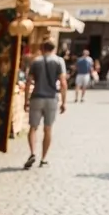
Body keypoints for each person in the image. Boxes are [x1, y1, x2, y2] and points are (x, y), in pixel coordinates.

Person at [23, 40, 66, 169]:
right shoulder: (59, 61)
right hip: (51, 98)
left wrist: (26, 100)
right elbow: (63, 82)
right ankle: (43, 159)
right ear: (54, 49)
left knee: (33, 128)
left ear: (42, 48)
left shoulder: (36, 61)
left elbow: (28, 82)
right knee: (48, 129)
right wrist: (64, 101)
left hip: (36, 97)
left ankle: (32, 153)